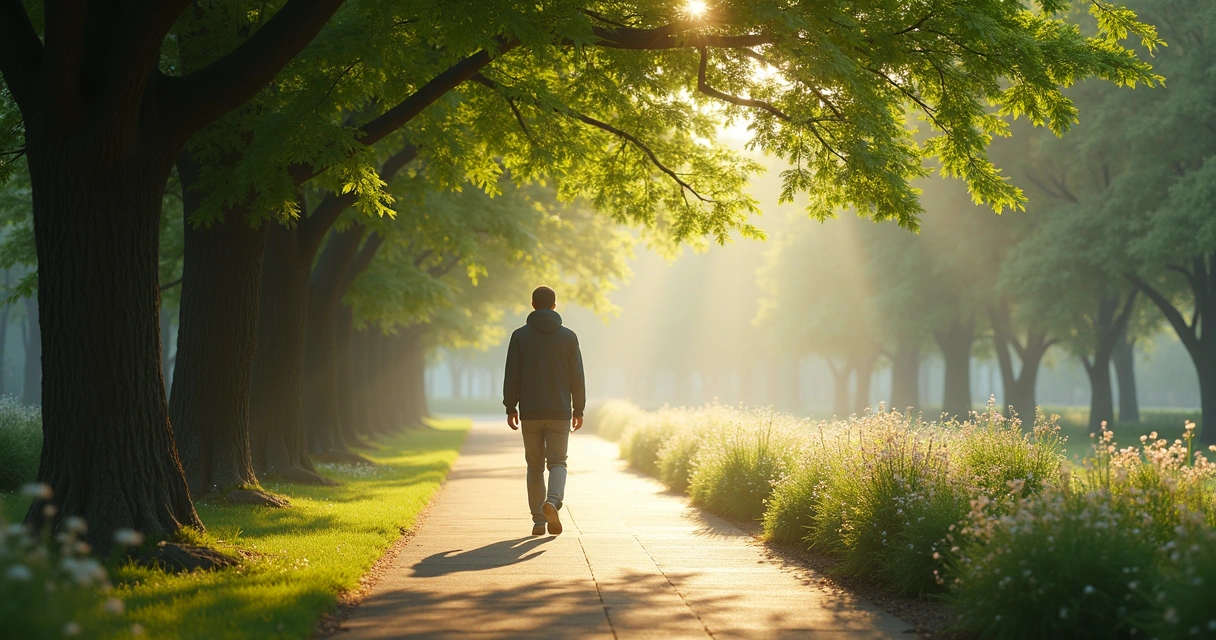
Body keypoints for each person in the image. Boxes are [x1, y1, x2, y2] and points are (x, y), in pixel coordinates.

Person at [503, 285, 586, 536]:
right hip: (560, 411)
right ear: (554, 305)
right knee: (558, 462)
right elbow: (577, 376)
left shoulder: (519, 336)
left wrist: (510, 406)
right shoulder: (569, 337)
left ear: (532, 305)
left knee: (534, 466)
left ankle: (539, 520)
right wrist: (578, 409)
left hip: (530, 411)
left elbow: (512, 374)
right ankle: (553, 501)